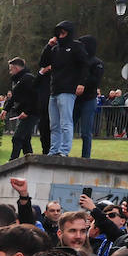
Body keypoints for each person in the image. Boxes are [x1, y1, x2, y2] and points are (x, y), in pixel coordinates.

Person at [38, 21, 90, 156]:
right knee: (54, 124)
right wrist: (48, 46)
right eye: (59, 33)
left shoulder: (76, 47)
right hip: (54, 90)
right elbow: (43, 63)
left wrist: (81, 83)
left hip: (67, 90)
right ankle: (54, 149)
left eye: (63, 32)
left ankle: (64, 150)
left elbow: (85, 65)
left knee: (65, 122)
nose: (60, 35)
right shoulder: (55, 49)